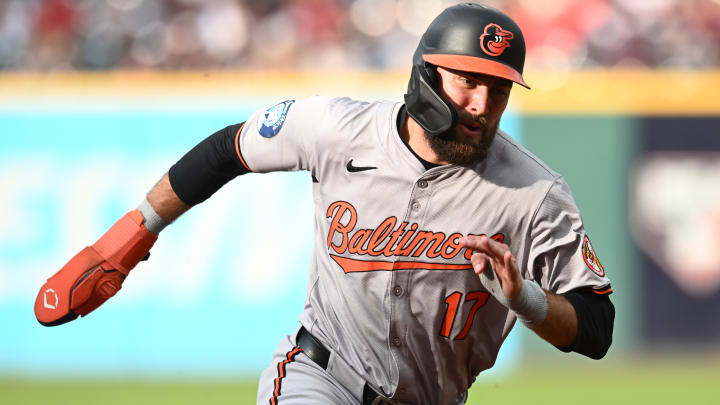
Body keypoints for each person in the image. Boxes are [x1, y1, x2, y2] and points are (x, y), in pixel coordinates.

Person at [34, 3, 614, 405]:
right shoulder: (339, 129)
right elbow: (227, 150)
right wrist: (130, 237)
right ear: (426, 73)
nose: (483, 103)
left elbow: (596, 328)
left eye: (499, 87)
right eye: (467, 80)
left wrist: (527, 299)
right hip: (319, 377)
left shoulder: (534, 193)